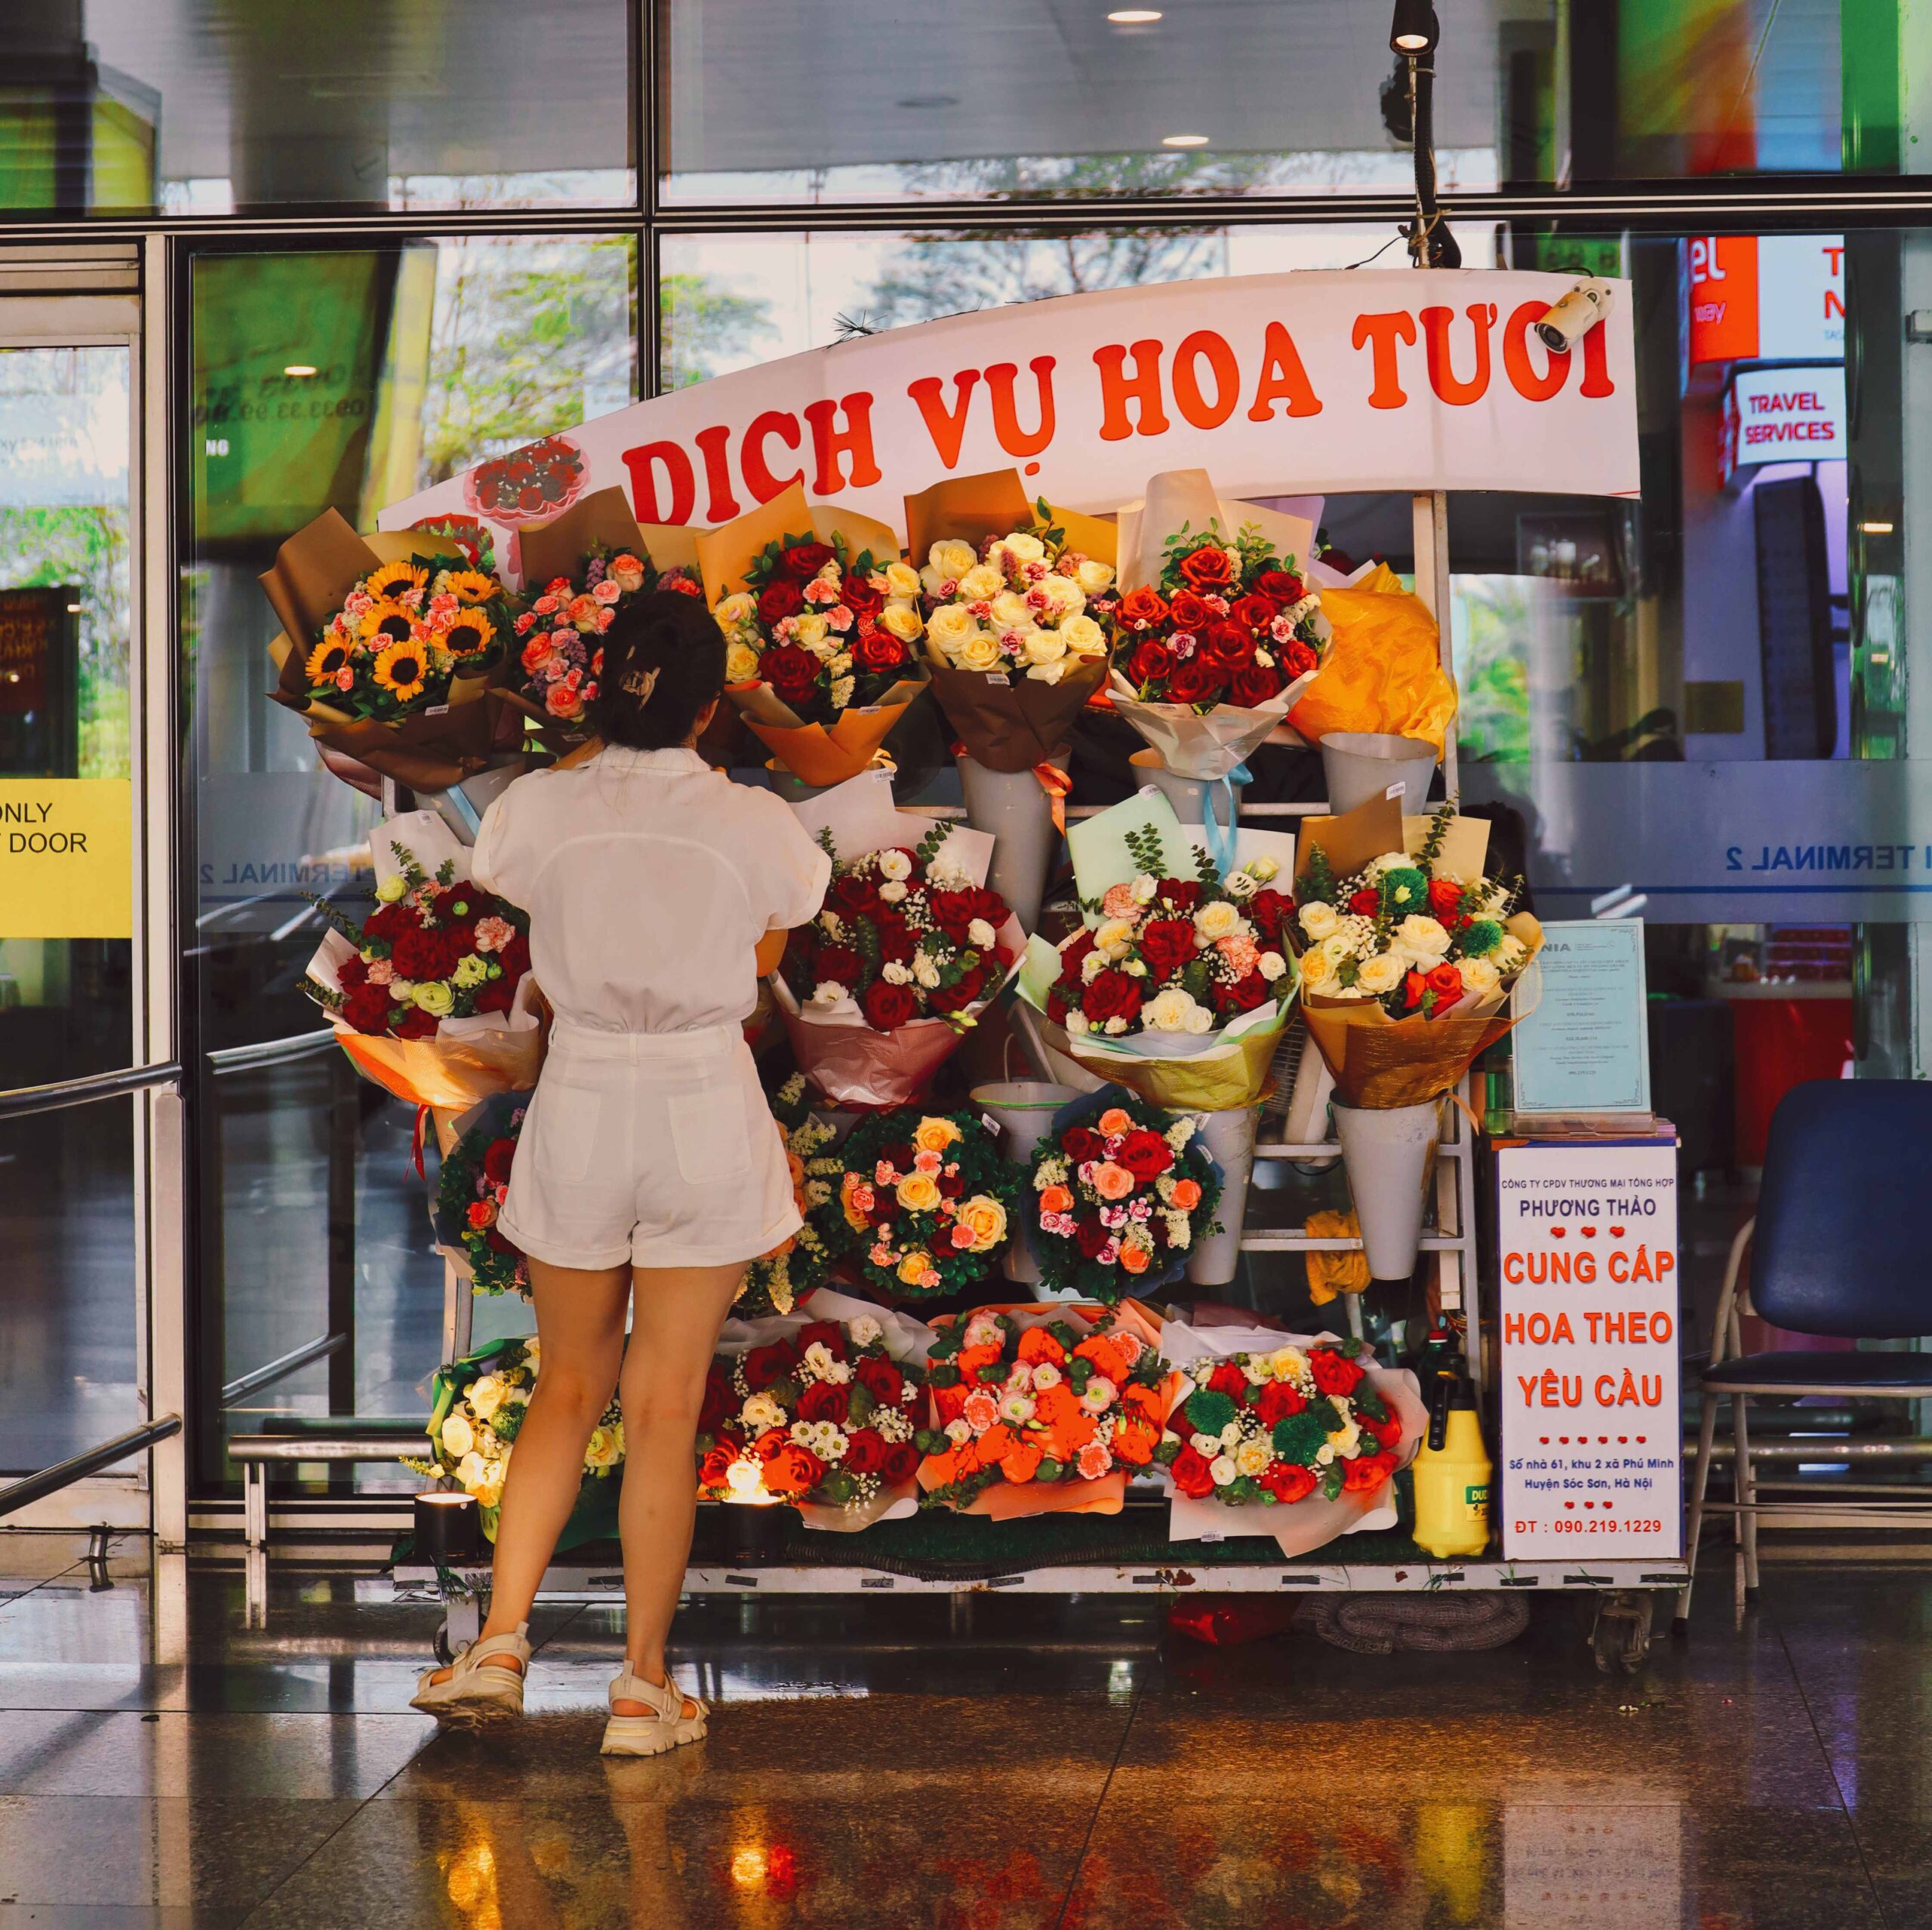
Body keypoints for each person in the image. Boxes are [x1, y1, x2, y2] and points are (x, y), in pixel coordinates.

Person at [411, 589, 829, 1756]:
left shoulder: (539, 808)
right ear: (713, 705)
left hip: (584, 1097)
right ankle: (644, 1687)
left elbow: (509, 876)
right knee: (662, 1405)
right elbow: (789, 915)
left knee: (565, 1386)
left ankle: (498, 1640)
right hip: (700, 1096)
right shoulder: (751, 820)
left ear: (597, 695)